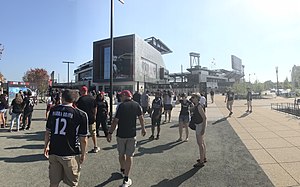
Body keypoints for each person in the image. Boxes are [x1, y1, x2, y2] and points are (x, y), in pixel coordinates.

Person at [44, 89, 88, 187]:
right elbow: (83, 138)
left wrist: (46, 146)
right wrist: (83, 154)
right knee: (72, 182)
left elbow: (48, 131)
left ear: (62, 97)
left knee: (53, 182)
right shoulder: (80, 114)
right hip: (70, 151)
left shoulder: (53, 110)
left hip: (54, 150)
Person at [107, 90, 146, 187]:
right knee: (129, 156)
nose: (120, 97)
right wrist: (143, 129)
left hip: (121, 134)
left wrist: (110, 132)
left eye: (121, 96)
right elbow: (141, 118)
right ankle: (126, 178)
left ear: (125, 96)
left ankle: (123, 169)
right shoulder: (136, 105)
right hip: (132, 134)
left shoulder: (121, 106)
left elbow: (115, 121)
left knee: (121, 154)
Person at [76, 86, 100, 153]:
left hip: (83, 119)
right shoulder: (92, 98)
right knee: (93, 133)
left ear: (82, 91)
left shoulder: (80, 99)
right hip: (91, 118)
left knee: (83, 134)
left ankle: (83, 149)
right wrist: (95, 115)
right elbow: (95, 108)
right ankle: (95, 147)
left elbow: (77, 109)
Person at [190, 93, 207, 167]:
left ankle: (201, 161)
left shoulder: (199, 106)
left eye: (193, 97)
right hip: (198, 125)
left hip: (200, 125)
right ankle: (203, 157)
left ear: (197, 98)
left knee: (200, 144)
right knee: (202, 142)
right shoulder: (196, 106)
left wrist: (203, 129)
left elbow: (204, 118)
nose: (192, 98)